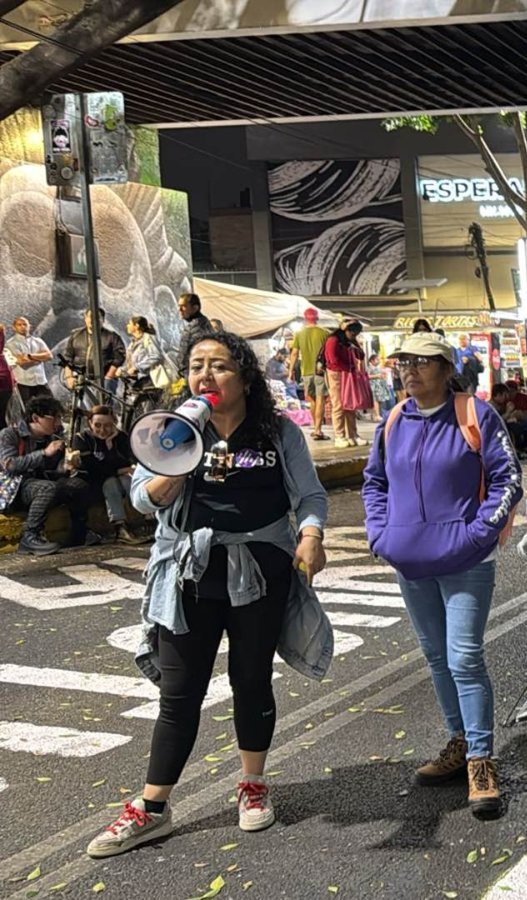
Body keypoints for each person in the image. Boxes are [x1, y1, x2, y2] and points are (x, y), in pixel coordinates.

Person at [84, 329, 334, 859]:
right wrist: (177, 460)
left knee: (250, 678)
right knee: (180, 691)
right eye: (197, 365)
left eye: (219, 365)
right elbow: (142, 501)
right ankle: (153, 808)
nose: (206, 375)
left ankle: (252, 783)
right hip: (189, 573)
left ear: (243, 377)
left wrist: (310, 536)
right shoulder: (173, 430)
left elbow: (308, 495)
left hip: (260, 570)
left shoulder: (276, 432)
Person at [363, 331, 523, 820]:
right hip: (411, 561)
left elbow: (507, 479)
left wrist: (476, 536)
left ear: (446, 367)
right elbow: (375, 482)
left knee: (464, 657)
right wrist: (380, 535)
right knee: (436, 656)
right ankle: (458, 741)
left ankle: (480, 759)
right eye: (403, 362)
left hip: (467, 561)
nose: (410, 370)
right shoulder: (393, 421)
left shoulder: (475, 413)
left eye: (422, 361)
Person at [0, 396, 97, 555]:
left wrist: (66, 467)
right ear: (36, 418)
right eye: (55, 418)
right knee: (47, 488)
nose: (58, 423)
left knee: (78, 485)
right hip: (15, 489)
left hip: (41, 486)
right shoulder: (10, 434)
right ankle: (30, 536)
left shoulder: (52, 438)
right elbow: (10, 465)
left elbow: (52, 472)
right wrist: (44, 453)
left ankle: (80, 532)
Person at [70, 405, 143, 545]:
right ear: (90, 423)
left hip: (119, 480)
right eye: (97, 425)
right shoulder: (81, 439)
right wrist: (119, 469)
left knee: (127, 481)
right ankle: (119, 527)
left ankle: (147, 520)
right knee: (111, 483)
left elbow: (129, 460)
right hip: (94, 483)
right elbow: (93, 468)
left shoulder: (121, 437)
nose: (102, 430)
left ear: (114, 424)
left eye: (108, 426)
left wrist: (110, 447)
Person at [55, 307, 127, 408]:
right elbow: (68, 357)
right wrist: (69, 377)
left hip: (104, 379)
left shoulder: (112, 337)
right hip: (82, 379)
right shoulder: (76, 335)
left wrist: (109, 377)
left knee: (104, 409)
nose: (92, 320)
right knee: (83, 408)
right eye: (90, 317)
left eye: (97, 317)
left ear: (103, 319)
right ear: (85, 318)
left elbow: (119, 357)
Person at [322, 320, 370, 449]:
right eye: (353, 333)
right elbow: (332, 360)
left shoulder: (351, 341)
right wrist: (347, 369)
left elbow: (361, 356)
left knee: (350, 405)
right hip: (336, 374)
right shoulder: (333, 340)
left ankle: (353, 435)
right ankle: (339, 436)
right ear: (346, 330)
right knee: (338, 405)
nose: (354, 336)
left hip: (349, 374)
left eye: (356, 334)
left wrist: (355, 347)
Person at [288, 309, 331, 441]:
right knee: (320, 399)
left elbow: (294, 353)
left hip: (306, 372)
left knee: (312, 399)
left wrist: (291, 371)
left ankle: (315, 427)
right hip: (321, 371)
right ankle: (318, 429)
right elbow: (329, 354)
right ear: (317, 318)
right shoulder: (325, 333)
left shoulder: (299, 334)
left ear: (305, 318)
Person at [121, 316, 168, 418]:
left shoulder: (148, 338)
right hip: (138, 381)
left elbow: (156, 356)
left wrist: (137, 367)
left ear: (136, 326)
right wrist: (123, 369)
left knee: (148, 412)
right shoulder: (133, 342)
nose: (127, 326)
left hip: (149, 380)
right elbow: (131, 361)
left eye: (130, 323)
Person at [7, 316, 54, 411]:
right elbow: (21, 361)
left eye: (25, 324)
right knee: (28, 411)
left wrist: (29, 356)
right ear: (14, 327)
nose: (22, 327)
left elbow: (49, 356)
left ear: (29, 326)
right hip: (24, 383)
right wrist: (39, 357)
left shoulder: (38, 341)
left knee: (51, 407)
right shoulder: (11, 343)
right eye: (19, 325)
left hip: (41, 380)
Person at [489, 383, 527, 457]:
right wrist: (508, 412)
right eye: (505, 395)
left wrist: (515, 415)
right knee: (515, 428)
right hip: (498, 430)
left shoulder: (502, 404)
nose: (506, 398)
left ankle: (525, 446)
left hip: (508, 424)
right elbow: (498, 421)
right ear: (498, 395)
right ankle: (517, 449)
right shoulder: (490, 407)